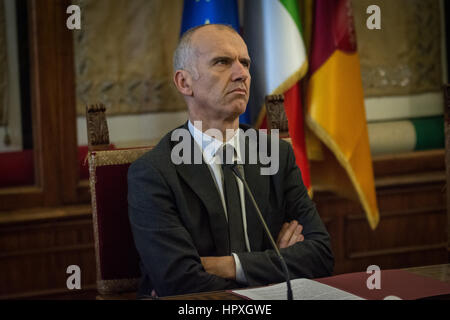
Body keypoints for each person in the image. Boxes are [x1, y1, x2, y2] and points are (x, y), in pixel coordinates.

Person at [127, 24, 333, 298]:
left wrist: (228, 266)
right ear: (184, 82)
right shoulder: (154, 172)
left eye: (245, 63)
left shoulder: (275, 155)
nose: (241, 74)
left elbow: (320, 256)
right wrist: (275, 266)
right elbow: (179, 282)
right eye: (222, 62)